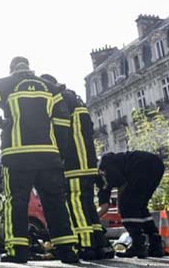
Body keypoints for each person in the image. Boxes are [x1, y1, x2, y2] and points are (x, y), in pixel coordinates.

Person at [0, 57, 78, 264]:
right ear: (29, 67)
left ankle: (18, 251)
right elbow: (62, 120)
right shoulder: (50, 88)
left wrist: (0, 123)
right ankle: (66, 250)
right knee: (55, 202)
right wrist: (60, 152)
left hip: (17, 154)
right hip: (48, 154)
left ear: (12, 69)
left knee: (16, 202)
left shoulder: (6, 84)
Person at [41, 74, 114, 260]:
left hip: (74, 163)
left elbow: (60, 129)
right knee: (88, 205)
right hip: (88, 162)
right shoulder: (76, 100)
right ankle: (100, 243)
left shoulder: (60, 100)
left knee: (75, 204)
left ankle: (86, 245)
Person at [96, 151, 165, 258]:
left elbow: (122, 184)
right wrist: (93, 220)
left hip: (142, 165)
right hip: (157, 164)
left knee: (128, 206)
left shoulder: (104, 167)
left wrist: (121, 206)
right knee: (140, 206)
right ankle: (155, 245)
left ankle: (138, 246)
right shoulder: (107, 172)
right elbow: (104, 206)